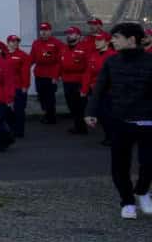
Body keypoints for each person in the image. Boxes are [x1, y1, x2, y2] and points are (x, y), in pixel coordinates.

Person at [85, 22, 152, 220]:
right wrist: (90, 111)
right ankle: (127, 201)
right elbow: (99, 88)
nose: (112, 40)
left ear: (131, 40)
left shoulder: (150, 61)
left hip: (147, 120)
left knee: (148, 163)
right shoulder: (111, 62)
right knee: (120, 164)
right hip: (119, 119)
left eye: (116, 37)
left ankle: (141, 191)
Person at [83, 30, 115, 147]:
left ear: (107, 42)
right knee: (102, 115)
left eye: (99, 40)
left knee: (109, 115)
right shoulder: (93, 55)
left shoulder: (112, 55)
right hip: (96, 90)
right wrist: (85, 89)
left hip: (109, 91)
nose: (96, 42)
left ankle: (112, 138)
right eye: (96, 40)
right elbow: (88, 73)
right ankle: (108, 136)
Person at [30, 22, 64, 124]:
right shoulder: (36, 43)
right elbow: (31, 58)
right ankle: (46, 112)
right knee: (41, 95)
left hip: (51, 74)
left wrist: (56, 75)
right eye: (42, 30)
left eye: (46, 30)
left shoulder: (57, 43)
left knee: (50, 96)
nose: (43, 32)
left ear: (50, 31)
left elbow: (60, 61)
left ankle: (51, 117)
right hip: (39, 73)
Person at [61, 26, 92, 134]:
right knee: (71, 105)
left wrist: (85, 86)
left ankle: (82, 127)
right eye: (68, 33)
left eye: (72, 33)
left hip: (79, 81)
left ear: (78, 36)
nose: (69, 35)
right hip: (67, 81)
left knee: (80, 106)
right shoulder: (64, 48)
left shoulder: (85, 48)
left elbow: (88, 68)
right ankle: (77, 125)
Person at [4, 34, 32, 139]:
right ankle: (9, 129)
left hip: (18, 86)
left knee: (19, 110)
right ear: (8, 43)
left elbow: (25, 72)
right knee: (7, 109)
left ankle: (19, 131)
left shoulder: (23, 56)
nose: (15, 43)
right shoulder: (3, 55)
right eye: (12, 41)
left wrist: (25, 86)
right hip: (6, 87)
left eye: (16, 41)